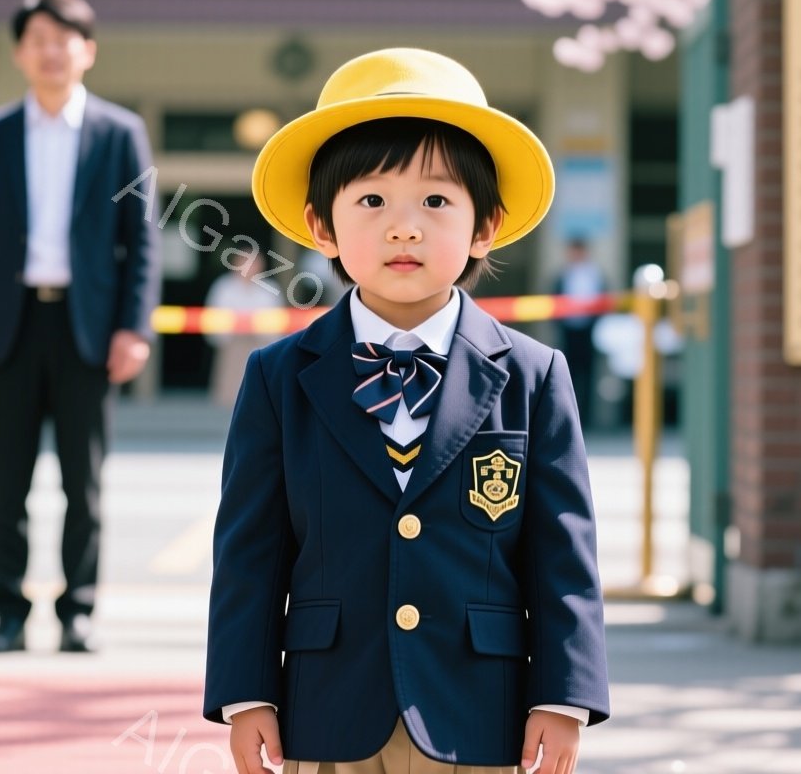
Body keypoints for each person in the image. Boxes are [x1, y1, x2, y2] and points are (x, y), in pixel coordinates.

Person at [205, 48, 610, 774]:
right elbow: (250, 551)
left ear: (485, 226)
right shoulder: (279, 375)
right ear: (320, 227)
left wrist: (564, 695)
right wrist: (244, 693)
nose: (404, 228)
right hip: (326, 709)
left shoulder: (533, 374)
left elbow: (563, 552)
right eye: (371, 201)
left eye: (435, 201)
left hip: (477, 708)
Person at [0, 0, 161, 656]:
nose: (51, 52)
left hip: (88, 329)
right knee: (8, 483)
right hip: (8, 327)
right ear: (19, 53)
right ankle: (8, 614)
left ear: (87, 52)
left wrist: (135, 329)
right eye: (37, 40)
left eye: (63, 40)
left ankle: (79, 612)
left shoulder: (119, 133)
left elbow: (142, 240)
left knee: (82, 483)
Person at [204, 251, 281, 409]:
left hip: (260, 344)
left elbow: (277, 320)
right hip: (232, 345)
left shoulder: (270, 289)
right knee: (229, 392)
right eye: (244, 262)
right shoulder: (223, 287)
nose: (249, 267)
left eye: (253, 263)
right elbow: (213, 317)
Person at [553, 237, 607, 425]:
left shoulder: (595, 274)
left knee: (589, 375)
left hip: (589, 332)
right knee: (568, 374)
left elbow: (603, 300)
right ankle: (569, 415)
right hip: (568, 331)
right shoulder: (564, 274)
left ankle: (587, 419)